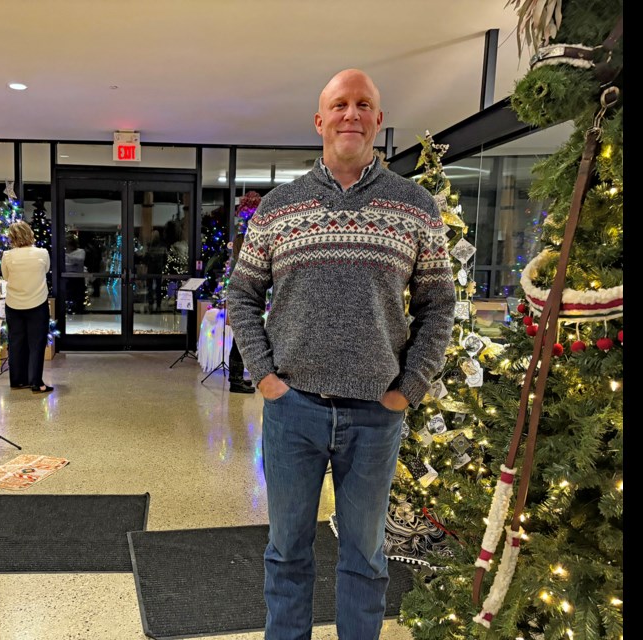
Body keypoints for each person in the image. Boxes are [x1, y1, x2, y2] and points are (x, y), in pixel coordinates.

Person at [227, 69, 455, 640]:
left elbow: (439, 304)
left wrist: (411, 387)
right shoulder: (281, 206)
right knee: (286, 553)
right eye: (339, 104)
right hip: (293, 409)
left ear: (378, 119)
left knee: (365, 558)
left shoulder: (414, 205)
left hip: (376, 416)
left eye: (363, 104)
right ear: (319, 120)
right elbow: (242, 292)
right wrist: (265, 376)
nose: (350, 114)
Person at [0, 221, 53, 394]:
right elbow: (45, 270)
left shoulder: (7, 256)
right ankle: (36, 382)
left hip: (13, 304)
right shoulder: (42, 253)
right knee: (36, 344)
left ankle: (17, 380)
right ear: (30, 234)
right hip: (37, 303)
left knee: (16, 342)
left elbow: (6, 276)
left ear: (12, 238)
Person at [226, 231, 254, 394]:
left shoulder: (234, 262)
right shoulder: (240, 264)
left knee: (237, 344)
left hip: (238, 307)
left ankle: (236, 378)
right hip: (241, 308)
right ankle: (235, 381)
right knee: (238, 345)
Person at [64, 236, 87, 314]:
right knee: (68, 294)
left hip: (78, 277)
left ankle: (79, 310)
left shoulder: (81, 251)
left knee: (79, 294)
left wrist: (68, 257)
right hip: (67, 277)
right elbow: (67, 265)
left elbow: (79, 260)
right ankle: (69, 309)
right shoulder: (64, 252)